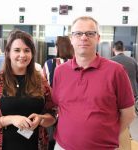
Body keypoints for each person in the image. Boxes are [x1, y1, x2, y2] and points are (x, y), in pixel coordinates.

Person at [52, 16, 135, 150]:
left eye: (90, 33)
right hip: (63, 146)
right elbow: (58, 107)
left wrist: (108, 135)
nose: (83, 37)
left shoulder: (116, 71)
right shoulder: (60, 71)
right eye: (78, 33)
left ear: (98, 38)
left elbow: (128, 114)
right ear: (71, 39)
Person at [0, 29, 57, 150]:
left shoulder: (41, 81)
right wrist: (9, 119)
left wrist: (41, 119)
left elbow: (53, 114)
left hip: (36, 146)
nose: (22, 55)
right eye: (17, 50)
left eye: (27, 50)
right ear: (8, 53)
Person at [43, 36, 74, 150]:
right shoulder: (76, 63)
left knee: (52, 138)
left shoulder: (49, 64)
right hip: (71, 109)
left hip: (53, 107)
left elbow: (43, 84)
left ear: (57, 47)